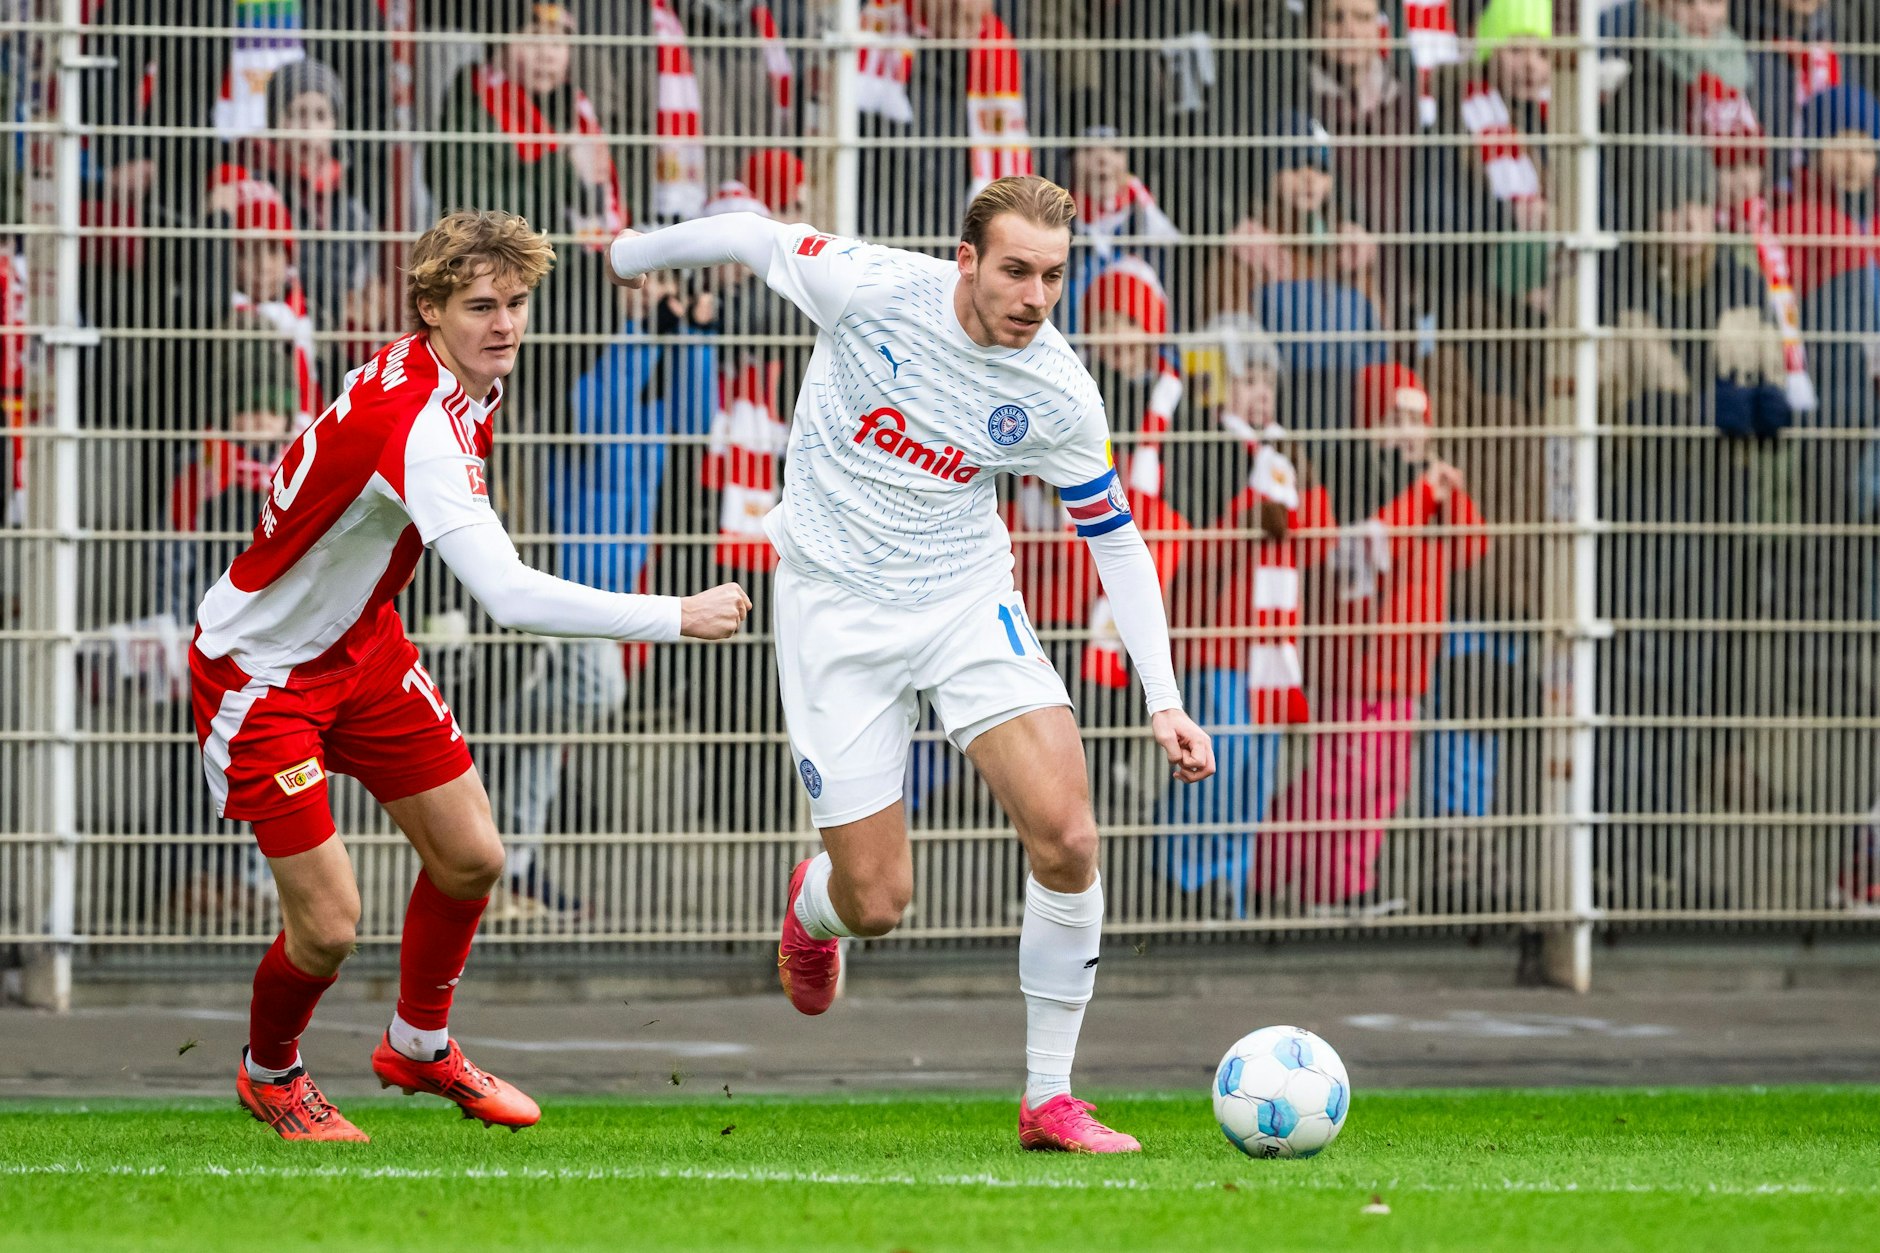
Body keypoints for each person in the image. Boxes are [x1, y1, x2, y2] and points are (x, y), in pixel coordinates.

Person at [608, 175, 1217, 1153]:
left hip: (964, 600)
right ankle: (814, 907)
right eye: (1015, 271)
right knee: (878, 903)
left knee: (1066, 833)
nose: (1034, 296)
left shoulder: (1055, 385)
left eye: (1053, 277)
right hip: (833, 614)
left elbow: (1113, 536)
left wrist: (1164, 699)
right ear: (966, 260)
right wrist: (630, 257)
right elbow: (751, 238)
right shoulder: (869, 285)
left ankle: (1048, 1096)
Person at [188, 209, 751, 1141]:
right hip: (263, 673)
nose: (504, 325)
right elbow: (507, 595)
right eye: (480, 305)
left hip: (360, 647)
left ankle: (417, 1043)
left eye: (517, 303)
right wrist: (675, 616)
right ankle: (271, 1071)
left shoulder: (449, 383)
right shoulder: (419, 424)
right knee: (329, 925)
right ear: (430, 309)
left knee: (473, 857)